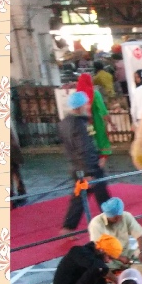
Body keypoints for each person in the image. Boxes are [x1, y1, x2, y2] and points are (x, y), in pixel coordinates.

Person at [57, 90, 110, 236]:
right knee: (101, 193)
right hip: (88, 167)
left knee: (80, 196)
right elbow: (85, 148)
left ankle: (68, 227)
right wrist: (89, 171)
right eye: (86, 104)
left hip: (76, 166)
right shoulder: (80, 124)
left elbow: (70, 148)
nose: (88, 106)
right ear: (80, 107)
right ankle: (113, 220)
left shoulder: (64, 123)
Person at [87, 197, 142, 263]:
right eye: (115, 218)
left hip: (126, 253)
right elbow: (97, 249)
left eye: (120, 216)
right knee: (101, 266)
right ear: (108, 215)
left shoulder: (126, 216)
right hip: (108, 257)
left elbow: (139, 236)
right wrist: (120, 258)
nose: (118, 219)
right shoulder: (96, 224)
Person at [75, 71, 111, 157]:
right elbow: (103, 110)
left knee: (89, 140)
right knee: (101, 143)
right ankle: (101, 161)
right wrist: (109, 122)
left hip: (84, 124)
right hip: (96, 123)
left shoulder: (77, 96)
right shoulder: (95, 94)